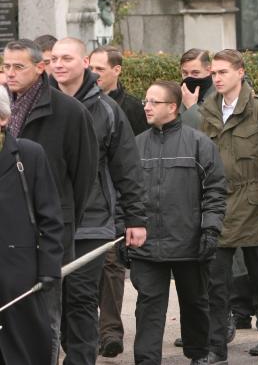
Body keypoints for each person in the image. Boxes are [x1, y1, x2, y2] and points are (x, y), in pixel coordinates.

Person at [49, 37, 148, 365]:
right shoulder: (37, 105)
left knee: (80, 299)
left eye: (67, 58)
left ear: (85, 64)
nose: (59, 65)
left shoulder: (108, 110)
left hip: (90, 224)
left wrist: (135, 218)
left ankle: (79, 360)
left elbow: (127, 168)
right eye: (54, 59)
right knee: (54, 301)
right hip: (46, 223)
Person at [3, 39, 98, 364]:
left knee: (47, 313)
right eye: (5, 66)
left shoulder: (68, 111)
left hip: (50, 229)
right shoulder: (5, 105)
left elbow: (84, 173)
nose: (10, 73)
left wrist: (66, 216)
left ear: (38, 67)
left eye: (18, 66)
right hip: (9, 233)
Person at [199, 49, 258, 363]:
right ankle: (216, 346)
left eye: (223, 72)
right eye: (214, 73)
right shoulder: (208, 110)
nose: (217, 78)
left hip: (256, 206)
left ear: (240, 72)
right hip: (219, 206)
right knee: (216, 283)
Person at [129, 80, 227, 365]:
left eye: (153, 102)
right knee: (147, 306)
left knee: (195, 302)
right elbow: (125, 191)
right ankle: (146, 360)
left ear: (172, 107)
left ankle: (198, 353)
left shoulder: (199, 144)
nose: (146, 106)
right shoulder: (136, 145)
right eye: (145, 101)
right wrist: (123, 229)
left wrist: (210, 230)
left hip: (189, 242)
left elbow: (215, 190)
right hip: (146, 245)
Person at [89, 44, 147, 357]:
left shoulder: (132, 109)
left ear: (117, 70)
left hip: (116, 200)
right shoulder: (80, 104)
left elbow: (134, 162)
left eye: (100, 68)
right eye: (92, 67)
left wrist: (133, 210)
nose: (94, 73)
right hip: (89, 199)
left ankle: (110, 331)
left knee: (111, 267)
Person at [0, 86, 64, 365]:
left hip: (19, 273)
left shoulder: (28, 155)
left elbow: (50, 216)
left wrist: (49, 267)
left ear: (3, 119)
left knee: (23, 349)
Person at [180, 48, 215, 129]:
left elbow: (211, 132)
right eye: (185, 73)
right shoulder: (176, 95)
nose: (189, 77)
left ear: (209, 70)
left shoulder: (221, 96)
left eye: (195, 73)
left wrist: (191, 106)